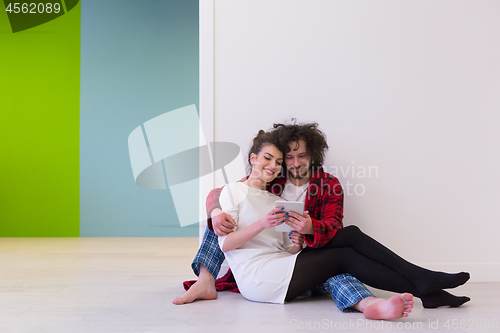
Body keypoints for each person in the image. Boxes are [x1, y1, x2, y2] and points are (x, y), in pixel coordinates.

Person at [173, 122, 470, 316]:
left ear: (312, 155)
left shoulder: (327, 184)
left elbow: (331, 229)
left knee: (347, 245)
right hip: (277, 268)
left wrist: (307, 230)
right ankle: (423, 283)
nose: (291, 163)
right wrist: (214, 210)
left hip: (305, 254)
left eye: (299, 156)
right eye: (285, 158)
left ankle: (413, 289)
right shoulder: (270, 183)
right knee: (219, 222)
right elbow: (224, 193)